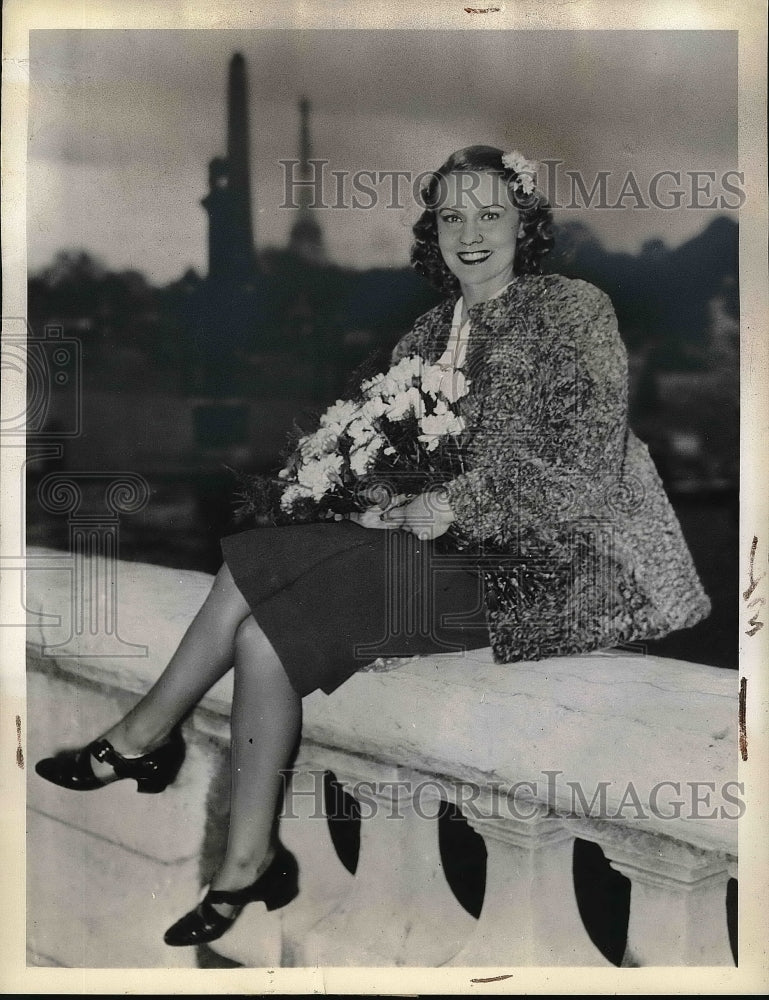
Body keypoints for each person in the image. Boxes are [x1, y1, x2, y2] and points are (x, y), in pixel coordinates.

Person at [35, 144, 711, 948]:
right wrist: (387, 499)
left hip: (556, 563)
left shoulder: (570, 308)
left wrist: (451, 501)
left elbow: (581, 463)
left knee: (252, 582)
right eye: (451, 215)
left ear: (523, 222)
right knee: (260, 633)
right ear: (432, 228)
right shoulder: (427, 331)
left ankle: (145, 740)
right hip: (452, 551)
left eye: (490, 214)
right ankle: (245, 860)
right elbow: (393, 455)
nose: (470, 232)